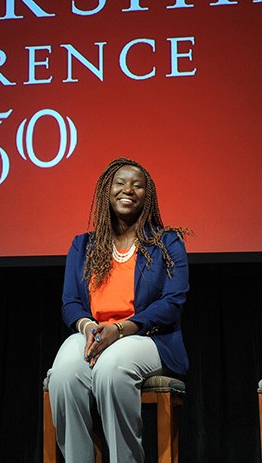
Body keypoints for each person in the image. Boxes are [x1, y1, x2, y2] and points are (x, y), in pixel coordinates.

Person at [46, 157, 191, 463]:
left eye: (137, 185)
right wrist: (88, 328)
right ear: (106, 192)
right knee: (63, 374)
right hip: (93, 332)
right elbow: (70, 302)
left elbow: (172, 302)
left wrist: (121, 329)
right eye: (120, 183)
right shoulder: (83, 245)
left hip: (147, 337)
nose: (128, 190)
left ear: (147, 196)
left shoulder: (166, 243)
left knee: (112, 369)